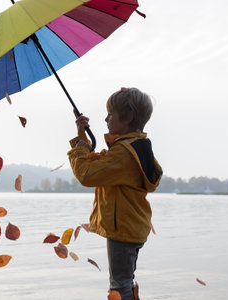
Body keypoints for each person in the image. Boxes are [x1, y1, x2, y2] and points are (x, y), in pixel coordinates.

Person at [67, 87, 163, 300]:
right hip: (132, 227)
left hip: (123, 231)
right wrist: (81, 136)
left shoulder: (123, 153)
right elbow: (102, 163)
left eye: (110, 114)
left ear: (127, 118)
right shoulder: (133, 147)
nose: (106, 119)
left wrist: (80, 151)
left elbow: (87, 175)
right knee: (124, 281)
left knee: (119, 286)